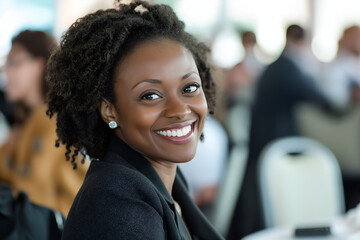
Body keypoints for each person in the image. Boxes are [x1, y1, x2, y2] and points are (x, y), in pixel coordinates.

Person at [46, 1, 223, 239]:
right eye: (150, 95)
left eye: (189, 87)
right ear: (110, 111)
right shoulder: (117, 205)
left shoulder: (161, 175)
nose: (180, 110)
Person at [227, 24, 332, 239]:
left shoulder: (278, 66)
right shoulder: (286, 67)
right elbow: (315, 96)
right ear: (302, 42)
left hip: (266, 137)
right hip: (273, 141)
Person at [0, 30, 88, 217]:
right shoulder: (27, 121)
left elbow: (31, 193)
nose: (5, 70)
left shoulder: (54, 122)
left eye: (12, 62)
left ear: (38, 65)